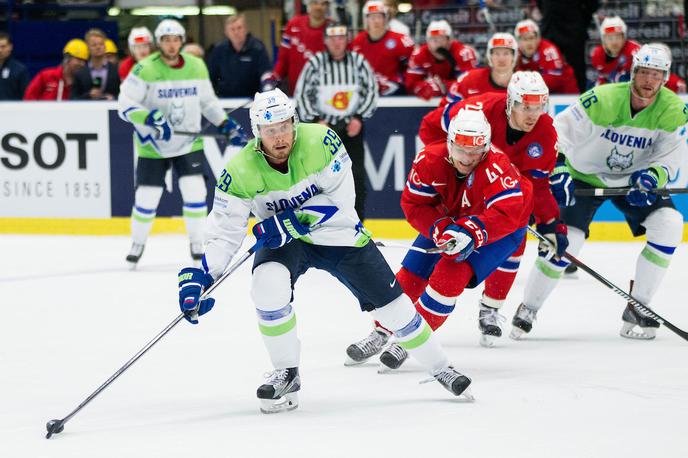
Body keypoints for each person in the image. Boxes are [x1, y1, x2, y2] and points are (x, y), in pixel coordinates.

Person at [176, 88, 473, 414]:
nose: (280, 137)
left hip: (338, 237)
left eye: (285, 126)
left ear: (295, 121)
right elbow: (224, 232)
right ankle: (287, 373)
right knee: (266, 285)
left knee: (395, 311)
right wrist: (204, 276)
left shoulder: (322, 141)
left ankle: (441, 366)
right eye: (270, 130)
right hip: (286, 244)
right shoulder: (239, 170)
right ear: (256, 131)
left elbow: (341, 202)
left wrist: (290, 220)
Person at [512, 44, 687, 341]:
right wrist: (560, 167)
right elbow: (558, 131)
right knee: (567, 242)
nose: (648, 81)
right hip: (585, 175)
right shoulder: (602, 99)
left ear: (665, 78)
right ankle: (529, 307)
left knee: (669, 224)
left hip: (634, 179)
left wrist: (652, 178)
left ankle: (639, 307)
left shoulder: (674, 110)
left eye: (656, 75)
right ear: (632, 73)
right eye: (643, 72)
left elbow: (669, 156)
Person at [345, 105, 534, 368]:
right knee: (412, 273)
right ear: (449, 144)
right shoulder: (430, 160)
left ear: (486, 148)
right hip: (453, 221)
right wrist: (440, 228)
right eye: (460, 150)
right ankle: (381, 331)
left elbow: (508, 213)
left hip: (499, 230)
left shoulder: (497, 168)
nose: (467, 158)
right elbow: (414, 205)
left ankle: (410, 341)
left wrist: (473, 231)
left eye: (475, 152)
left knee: (449, 276)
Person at [396, 72, 561, 353]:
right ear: (511, 102)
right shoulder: (475, 111)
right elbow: (429, 125)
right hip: (467, 182)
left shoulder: (546, 131)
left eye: (538, 107)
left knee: (514, 239)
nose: (533, 115)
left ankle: (491, 308)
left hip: (505, 195)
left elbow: (539, 184)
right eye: (525, 106)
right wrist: (448, 163)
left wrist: (551, 222)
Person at [117, 19, 248, 268]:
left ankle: (198, 242)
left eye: (175, 39)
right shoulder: (144, 69)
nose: (171, 44)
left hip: (188, 141)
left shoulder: (197, 66)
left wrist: (226, 124)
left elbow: (208, 103)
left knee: (195, 190)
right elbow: (124, 105)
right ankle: (137, 242)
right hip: (152, 143)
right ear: (159, 43)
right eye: (166, 40)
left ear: (182, 41)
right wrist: (149, 117)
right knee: (147, 196)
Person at [294, 23, 378, 220]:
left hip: (352, 131)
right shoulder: (315, 64)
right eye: (332, 38)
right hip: (322, 133)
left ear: (347, 39)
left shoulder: (358, 62)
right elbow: (302, 95)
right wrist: (316, 120)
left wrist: (359, 117)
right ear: (325, 41)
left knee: (356, 176)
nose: (337, 42)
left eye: (341, 37)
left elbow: (372, 92)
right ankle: (320, 223)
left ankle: (357, 223)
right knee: (319, 178)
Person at [261, 0, 332, 95]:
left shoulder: (333, 29)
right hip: (295, 94)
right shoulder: (293, 24)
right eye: (315, 3)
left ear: (327, 7)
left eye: (323, 4)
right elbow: (283, 60)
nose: (319, 7)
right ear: (309, 4)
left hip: (325, 94)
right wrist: (274, 77)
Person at [351, 0, 415, 96]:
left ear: (385, 19)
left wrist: (401, 84)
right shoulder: (358, 41)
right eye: (372, 17)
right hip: (367, 92)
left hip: (395, 95)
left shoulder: (402, 40)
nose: (376, 21)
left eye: (379, 16)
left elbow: (413, 69)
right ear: (366, 20)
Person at [405, 20, 479, 100]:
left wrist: (444, 86)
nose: (438, 43)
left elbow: (471, 85)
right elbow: (410, 85)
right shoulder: (419, 55)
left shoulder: (464, 53)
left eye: (442, 38)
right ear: (427, 42)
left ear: (450, 40)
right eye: (433, 39)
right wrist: (425, 87)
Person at [443, 32, 518, 106]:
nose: (501, 59)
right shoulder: (470, 79)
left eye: (506, 53)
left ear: (514, 56)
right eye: (497, 53)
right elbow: (445, 108)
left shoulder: (526, 84)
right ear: (489, 56)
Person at [208, 14, 272, 97]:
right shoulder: (219, 50)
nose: (236, 32)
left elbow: (266, 73)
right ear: (226, 33)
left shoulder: (257, 48)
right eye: (232, 29)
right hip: (225, 100)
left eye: (239, 28)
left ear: (245, 29)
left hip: (252, 100)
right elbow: (210, 77)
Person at [513, 19, 578, 94]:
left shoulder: (548, 50)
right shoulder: (515, 53)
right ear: (518, 41)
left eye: (532, 38)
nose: (529, 43)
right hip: (539, 96)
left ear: (538, 38)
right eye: (525, 39)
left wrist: (525, 81)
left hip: (565, 95)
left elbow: (554, 80)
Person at [24, 39, 88, 101]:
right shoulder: (46, 76)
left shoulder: (84, 83)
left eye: (84, 61)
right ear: (67, 58)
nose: (82, 64)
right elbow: (28, 98)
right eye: (79, 60)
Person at [591, 16, 641, 86]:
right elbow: (603, 80)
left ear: (624, 38)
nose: (614, 42)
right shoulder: (597, 54)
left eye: (618, 37)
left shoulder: (635, 52)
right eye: (609, 38)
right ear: (603, 40)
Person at [72, 28, 120, 100]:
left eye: (101, 44)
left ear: (105, 46)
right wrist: (88, 95)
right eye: (94, 45)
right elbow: (73, 99)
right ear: (88, 48)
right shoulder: (80, 73)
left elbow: (125, 94)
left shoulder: (116, 70)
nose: (98, 47)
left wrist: (113, 98)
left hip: (111, 109)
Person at [0, 32, 30, 100]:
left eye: (3, 46)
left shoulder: (20, 70)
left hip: (12, 109)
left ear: (10, 47)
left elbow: (26, 96)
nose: (0, 50)